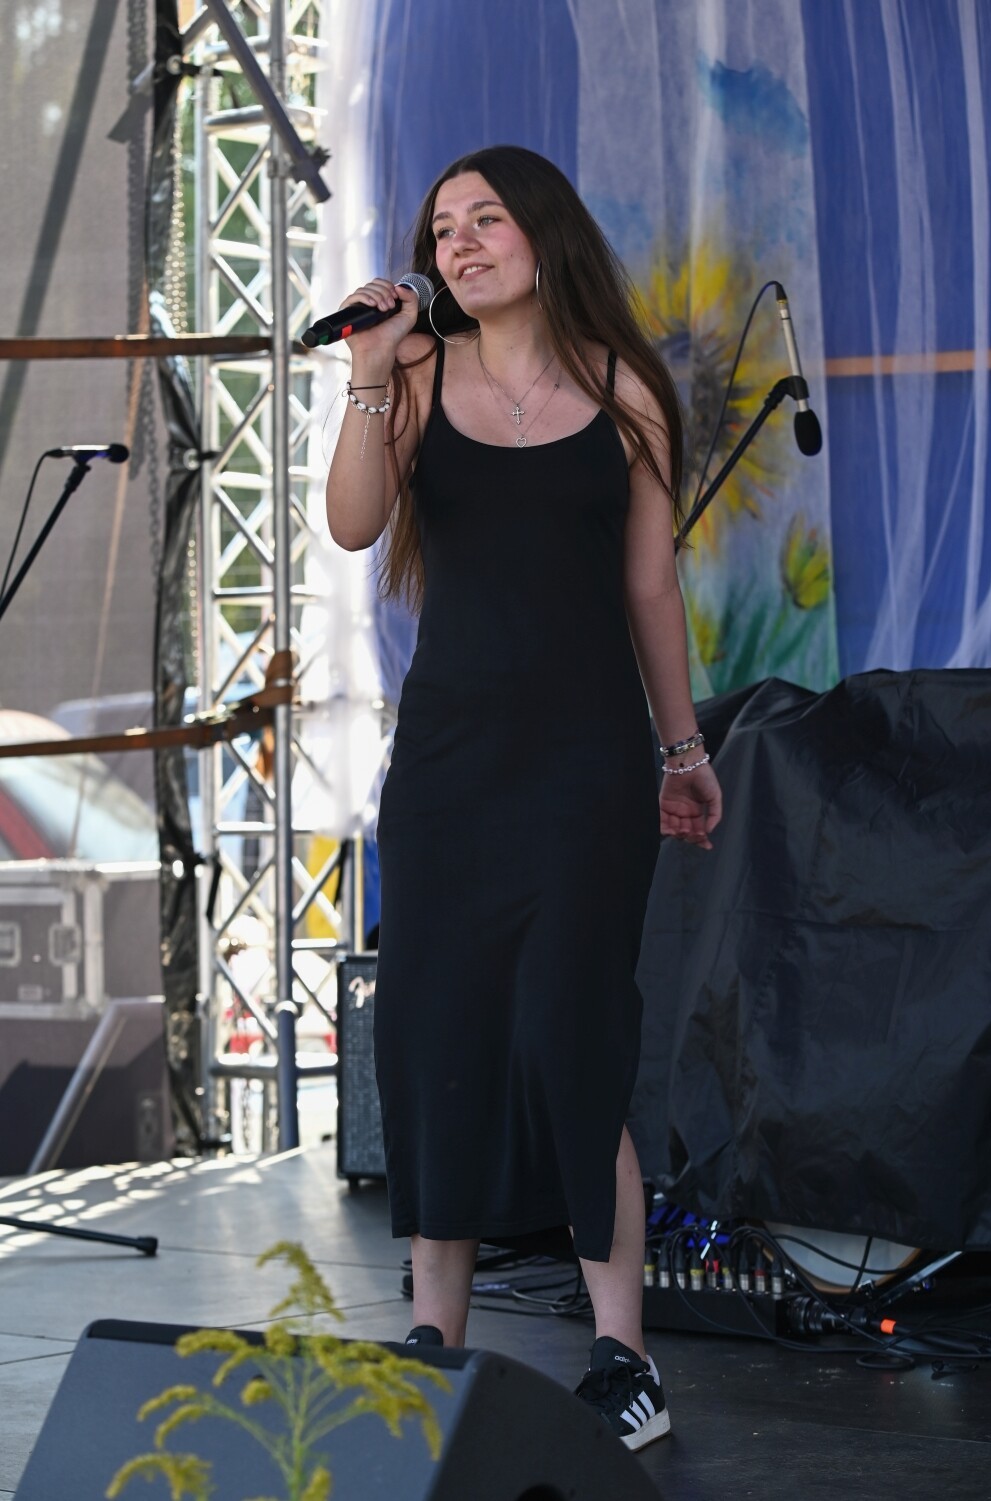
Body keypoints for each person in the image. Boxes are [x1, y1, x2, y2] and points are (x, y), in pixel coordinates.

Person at [326, 145, 722, 1451]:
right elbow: (351, 523)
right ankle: (435, 1340)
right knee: (435, 1032)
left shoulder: (626, 391)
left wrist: (683, 748)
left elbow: (651, 587)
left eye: (487, 218)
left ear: (544, 236)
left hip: (586, 764)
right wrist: (368, 373)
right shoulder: (414, 376)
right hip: (449, 766)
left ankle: (624, 1356)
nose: (461, 242)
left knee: (572, 1034)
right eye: (443, 227)